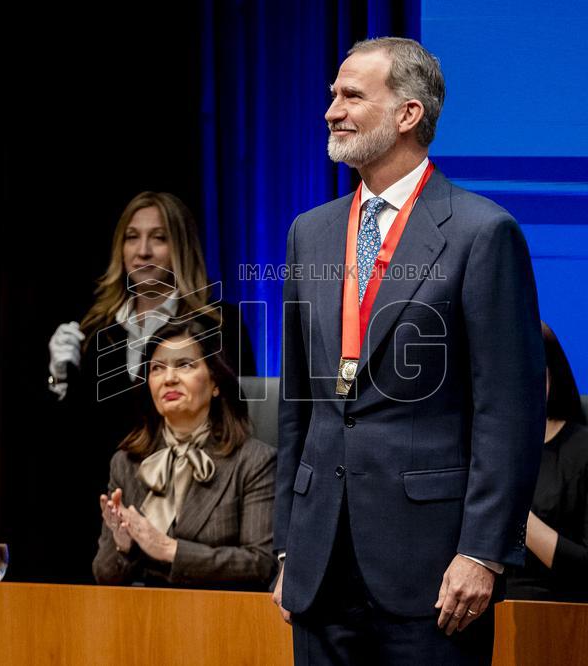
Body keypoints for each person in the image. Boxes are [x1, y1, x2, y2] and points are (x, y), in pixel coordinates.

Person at [273, 37, 545, 664]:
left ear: (408, 113)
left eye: (351, 96)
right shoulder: (309, 232)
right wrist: (288, 545)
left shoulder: (482, 232)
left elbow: (509, 412)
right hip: (320, 563)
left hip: (432, 570)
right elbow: (297, 405)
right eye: (333, 95)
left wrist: (482, 553)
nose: (331, 111)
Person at [42, 191, 255, 583]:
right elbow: (68, 441)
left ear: (180, 247)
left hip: (192, 518)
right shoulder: (95, 329)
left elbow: (238, 422)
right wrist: (59, 378)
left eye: (158, 238)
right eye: (131, 237)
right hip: (100, 515)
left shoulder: (216, 324)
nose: (142, 251)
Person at [92, 320, 277, 589]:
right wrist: (123, 546)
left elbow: (260, 564)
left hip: (223, 611)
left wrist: (170, 550)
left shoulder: (253, 461)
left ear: (215, 382)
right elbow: (104, 576)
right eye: (157, 368)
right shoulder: (127, 462)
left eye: (184, 365)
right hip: (145, 611)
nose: (169, 379)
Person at [506, 323, 588, 604]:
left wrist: (512, 514)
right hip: (477, 609)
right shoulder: (480, 449)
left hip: (553, 611)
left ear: (550, 377)